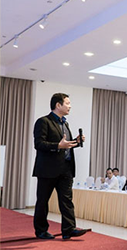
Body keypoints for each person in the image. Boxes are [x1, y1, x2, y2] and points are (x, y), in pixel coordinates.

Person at [33, 93, 87, 240]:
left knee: (67, 201)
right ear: (58, 105)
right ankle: (41, 231)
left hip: (66, 169)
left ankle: (69, 229)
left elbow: (65, 146)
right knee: (43, 201)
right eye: (67, 103)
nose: (70, 106)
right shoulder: (43, 122)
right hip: (47, 169)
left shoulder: (65, 123)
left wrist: (75, 141)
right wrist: (58, 145)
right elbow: (39, 144)